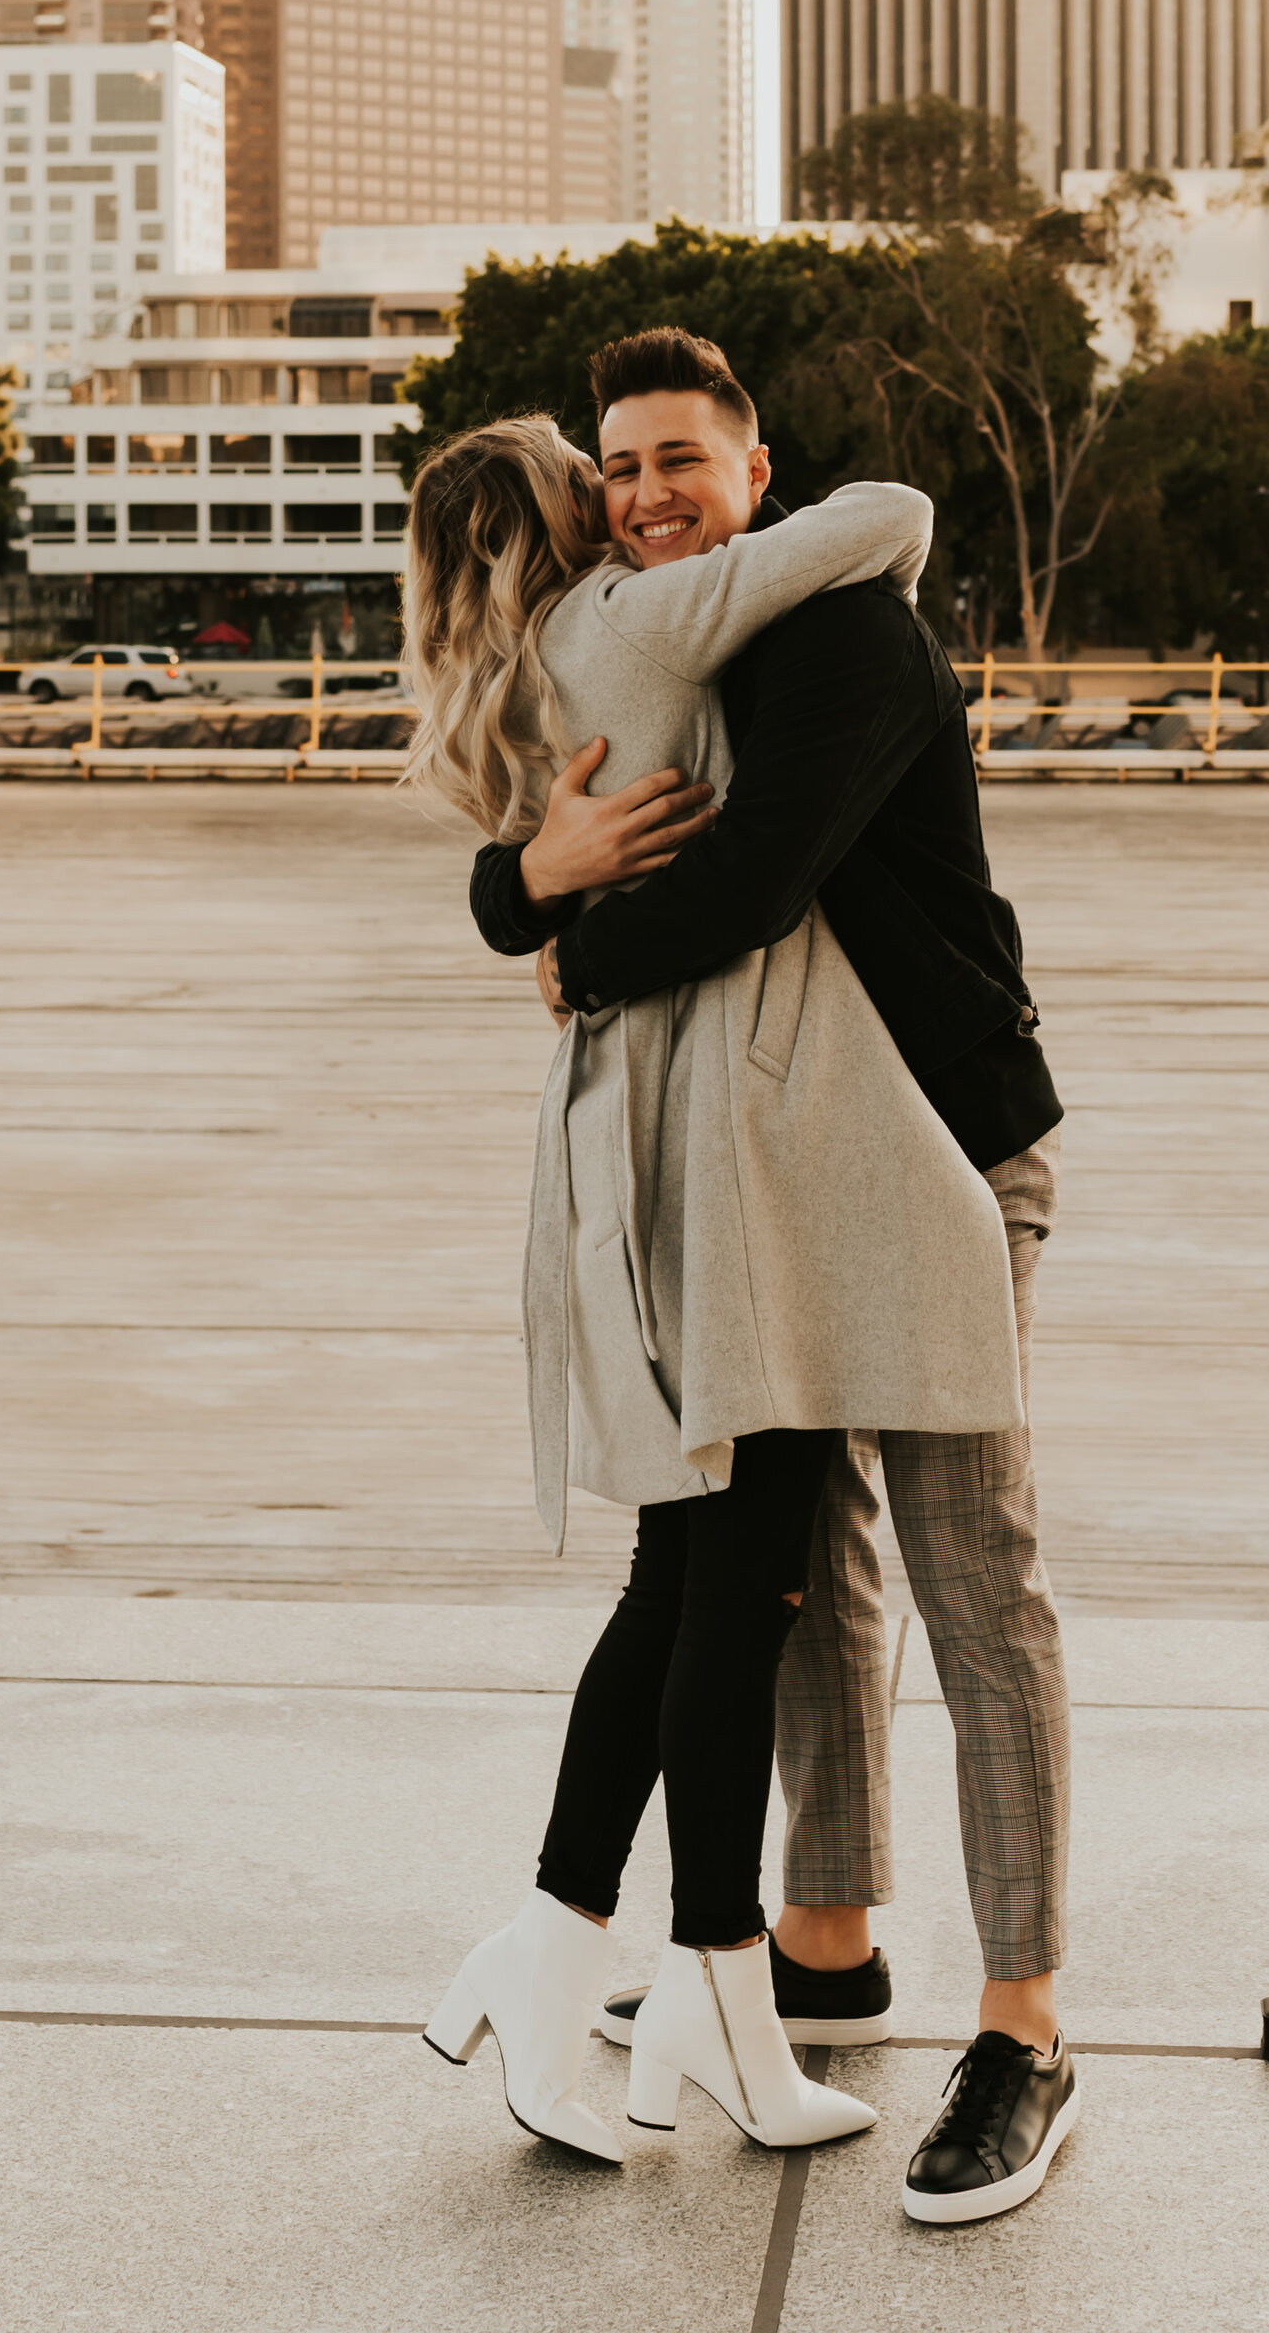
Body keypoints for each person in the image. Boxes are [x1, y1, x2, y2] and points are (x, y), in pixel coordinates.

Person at [468, 326, 1081, 2230]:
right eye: (620, 466)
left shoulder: (840, 643)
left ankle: (1027, 2030)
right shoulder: (690, 643)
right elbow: (561, 829)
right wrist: (524, 887)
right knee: (810, 1574)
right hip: (794, 1169)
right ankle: (822, 1943)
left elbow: (750, 880)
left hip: (953, 1151)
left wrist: (570, 943)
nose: (649, 494)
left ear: (754, 466)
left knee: (978, 1582)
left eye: (683, 460)